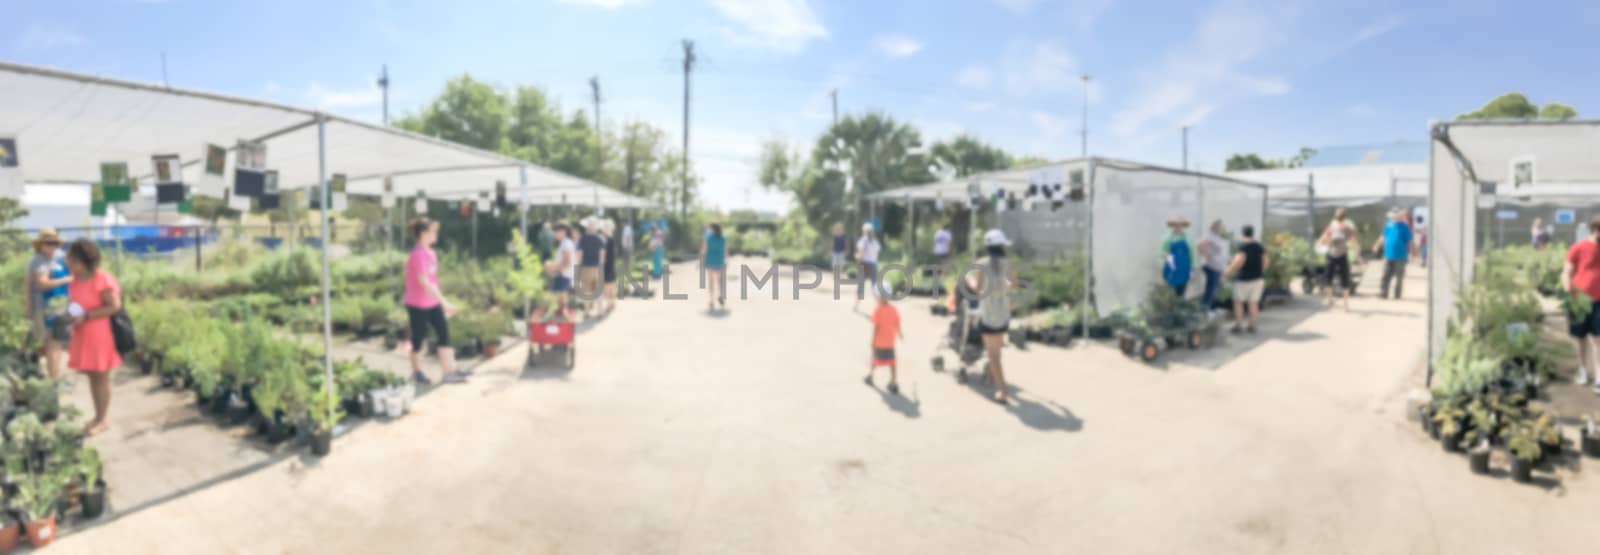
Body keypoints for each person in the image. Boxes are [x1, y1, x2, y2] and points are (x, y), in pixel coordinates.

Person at [62, 239, 122, 436]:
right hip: (82, 334)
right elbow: (73, 304)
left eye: (71, 258)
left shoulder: (102, 279)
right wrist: (71, 314)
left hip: (99, 334)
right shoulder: (75, 281)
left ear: (82, 260)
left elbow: (114, 306)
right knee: (92, 376)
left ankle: (102, 419)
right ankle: (98, 416)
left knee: (101, 377)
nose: (67, 261)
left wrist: (87, 316)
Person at [404, 218, 465, 385]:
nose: (436, 234)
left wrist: (441, 302)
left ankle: (449, 371)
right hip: (417, 304)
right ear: (424, 233)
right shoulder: (417, 255)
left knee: (444, 333)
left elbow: (433, 281)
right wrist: (445, 302)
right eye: (433, 231)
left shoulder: (431, 253)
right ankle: (416, 372)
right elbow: (424, 281)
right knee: (417, 339)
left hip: (432, 303)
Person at [970, 229, 1017, 404]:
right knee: (997, 350)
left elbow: (978, 290)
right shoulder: (1009, 264)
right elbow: (1012, 285)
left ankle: (1002, 391)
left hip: (988, 314)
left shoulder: (981, 264)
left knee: (993, 354)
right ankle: (990, 377)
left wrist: (971, 281)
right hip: (1003, 313)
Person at [25, 229, 72, 379]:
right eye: (49, 243)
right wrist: (66, 280)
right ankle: (52, 380)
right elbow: (42, 283)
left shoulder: (58, 256)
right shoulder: (39, 260)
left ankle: (53, 378)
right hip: (44, 307)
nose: (53, 246)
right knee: (51, 344)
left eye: (55, 243)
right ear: (40, 245)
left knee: (55, 344)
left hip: (59, 306)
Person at [1563, 216, 1600, 393]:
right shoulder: (1579, 247)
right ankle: (1583, 369)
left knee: (1598, 338)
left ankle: (1599, 376)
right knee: (1580, 337)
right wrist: (1567, 290)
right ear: (1596, 230)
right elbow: (1567, 271)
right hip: (1580, 300)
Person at [1225, 225, 1269, 334]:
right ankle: (1252, 325)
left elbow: (1239, 261)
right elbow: (1266, 261)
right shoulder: (1259, 246)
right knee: (1253, 303)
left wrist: (1228, 271)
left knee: (1238, 302)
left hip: (1243, 279)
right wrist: (1260, 271)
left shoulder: (1243, 246)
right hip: (1258, 279)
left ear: (1243, 233)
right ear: (1252, 233)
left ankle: (1238, 325)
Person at [864, 284, 904, 395]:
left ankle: (870, 376)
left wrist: (872, 341)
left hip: (879, 343)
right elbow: (897, 322)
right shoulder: (893, 309)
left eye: (877, 296)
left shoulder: (878, 310)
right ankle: (894, 382)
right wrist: (900, 333)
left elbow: (876, 328)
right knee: (892, 362)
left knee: (875, 360)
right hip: (890, 342)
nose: (876, 298)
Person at [1317, 208, 1357, 311]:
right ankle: (1337, 302)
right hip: (1336, 254)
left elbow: (1322, 239)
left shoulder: (1340, 228)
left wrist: (1321, 244)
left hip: (1337, 254)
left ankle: (1342, 303)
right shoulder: (1340, 228)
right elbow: (1353, 241)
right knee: (1337, 279)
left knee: (1338, 279)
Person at [1372, 209, 1415, 299]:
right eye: (1392, 216)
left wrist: (1411, 253)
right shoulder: (1389, 225)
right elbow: (1383, 236)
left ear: (1399, 216)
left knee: (1399, 277)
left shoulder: (1404, 227)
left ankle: (1397, 295)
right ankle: (1383, 293)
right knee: (1385, 275)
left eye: (1395, 216)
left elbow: (1409, 241)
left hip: (1401, 256)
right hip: (1388, 255)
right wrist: (1376, 245)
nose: (1393, 217)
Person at [1197, 220, 1230, 311]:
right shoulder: (1210, 235)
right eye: (1222, 227)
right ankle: (1204, 309)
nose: (1223, 229)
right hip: (1212, 267)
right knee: (1211, 289)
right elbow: (1200, 245)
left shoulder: (1217, 237)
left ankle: (1210, 308)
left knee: (1215, 289)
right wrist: (1207, 255)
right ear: (1216, 227)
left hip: (1218, 267)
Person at [576, 217, 606, 316]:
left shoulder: (582, 239)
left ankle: (587, 311)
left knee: (586, 290)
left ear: (586, 227)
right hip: (597, 267)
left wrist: (578, 265)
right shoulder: (599, 239)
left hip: (586, 267)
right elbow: (602, 254)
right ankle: (600, 311)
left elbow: (579, 254)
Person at [548, 223, 577, 315]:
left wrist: (551, 267)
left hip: (563, 275)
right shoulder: (565, 243)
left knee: (561, 300)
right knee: (561, 300)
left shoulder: (566, 244)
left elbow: (566, 263)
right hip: (563, 274)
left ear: (563, 232)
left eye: (556, 232)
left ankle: (564, 320)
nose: (555, 234)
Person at [1161, 216, 1193, 298]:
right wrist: (1168, 258)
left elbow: (1192, 253)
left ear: (1183, 226)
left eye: (1180, 225)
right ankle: (1172, 308)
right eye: (1176, 225)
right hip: (1172, 268)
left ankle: (1180, 307)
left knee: (1182, 290)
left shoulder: (1188, 238)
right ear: (1173, 226)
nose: (1178, 227)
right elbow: (1161, 251)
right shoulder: (1167, 238)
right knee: (1171, 291)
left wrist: (1192, 269)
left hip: (1184, 268)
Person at [853, 223, 881, 310]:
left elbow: (861, 254)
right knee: (874, 286)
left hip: (864, 264)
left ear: (864, 231)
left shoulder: (863, 241)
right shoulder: (875, 242)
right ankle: (880, 306)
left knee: (861, 286)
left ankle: (856, 306)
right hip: (873, 264)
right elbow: (877, 254)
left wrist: (856, 256)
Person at [701, 223, 728, 310]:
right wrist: (726, 260)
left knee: (711, 281)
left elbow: (704, 250)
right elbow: (725, 250)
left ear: (712, 229)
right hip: (719, 261)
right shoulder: (723, 238)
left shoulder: (708, 238)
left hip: (710, 261)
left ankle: (711, 300)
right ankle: (720, 295)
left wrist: (701, 259)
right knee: (719, 280)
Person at [601, 219, 620, 314]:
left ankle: (610, 304)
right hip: (609, 265)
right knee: (610, 285)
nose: (604, 229)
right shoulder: (608, 239)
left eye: (606, 228)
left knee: (609, 285)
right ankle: (611, 303)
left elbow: (608, 255)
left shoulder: (609, 240)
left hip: (608, 265)